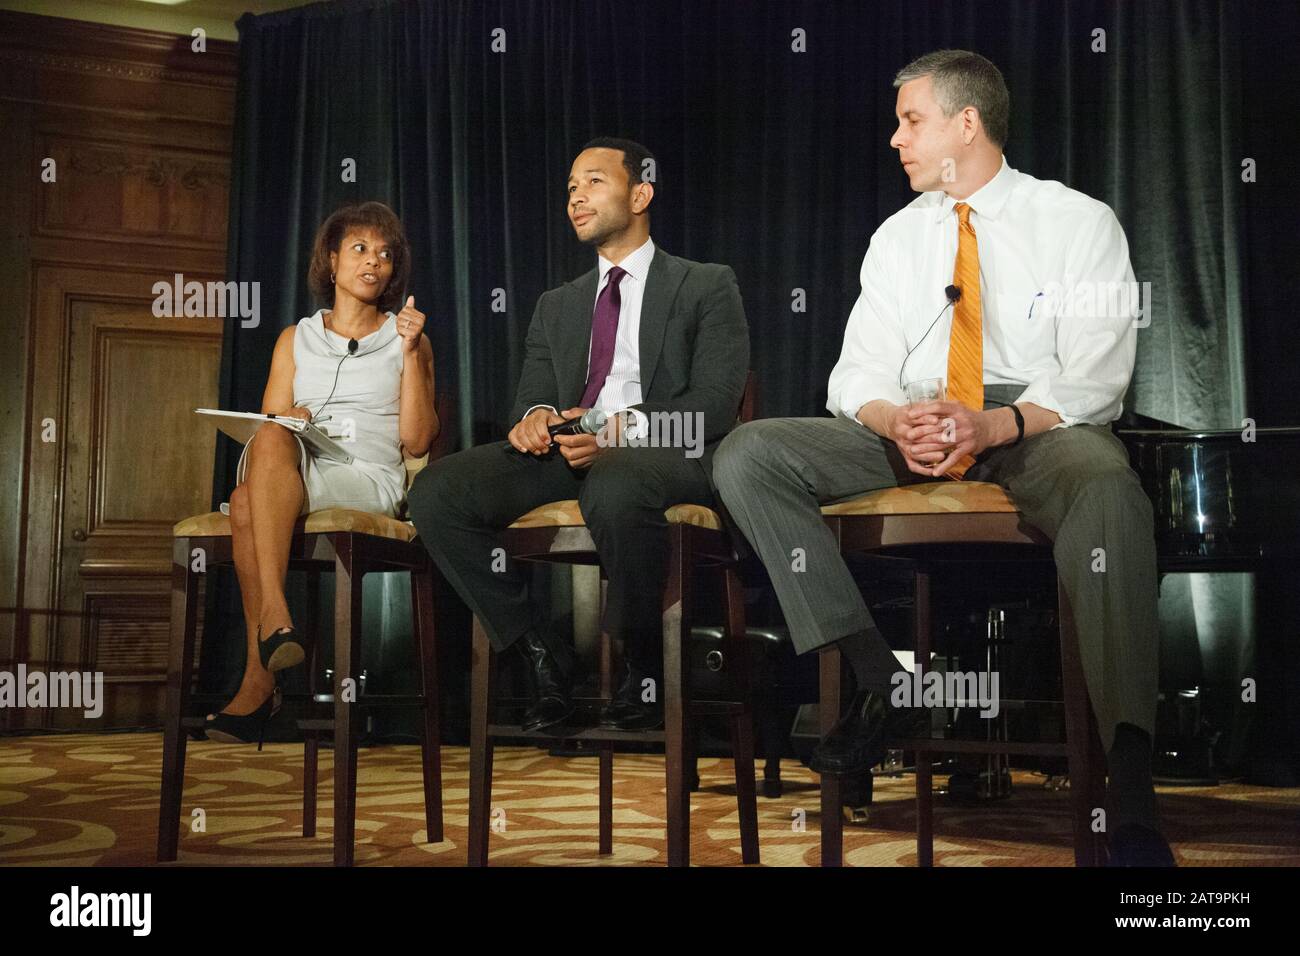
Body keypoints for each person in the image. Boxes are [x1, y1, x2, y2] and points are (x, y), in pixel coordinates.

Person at [713, 51, 1174, 865]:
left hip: (1034, 429)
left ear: (967, 124)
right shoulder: (898, 236)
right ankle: (884, 683)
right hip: (917, 423)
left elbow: (1098, 374)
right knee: (751, 454)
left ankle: (1130, 796)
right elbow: (854, 373)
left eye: (910, 120)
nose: (896, 139)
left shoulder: (1077, 221)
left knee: (1110, 492)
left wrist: (991, 425)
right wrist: (896, 421)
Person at [407, 138, 748, 733]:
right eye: (570, 187)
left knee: (615, 482)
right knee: (437, 492)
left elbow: (713, 408)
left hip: (666, 451)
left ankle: (639, 664)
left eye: (592, 182)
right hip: (572, 448)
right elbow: (531, 397)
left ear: (640, 193)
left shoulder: (705, 284)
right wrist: (535, 417)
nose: (575, 198)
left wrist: (623, 432)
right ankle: (541, 655)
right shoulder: (556, 305)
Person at [205, 201, 438, 745]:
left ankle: (264, 662)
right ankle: (275, 628)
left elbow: (419, 440)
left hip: (370, 477)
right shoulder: (294, 338)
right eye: (359, 249)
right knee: (260, 466)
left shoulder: (410, 338)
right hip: (302, 466)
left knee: (246, 504)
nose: (373, 262)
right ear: (331, 263)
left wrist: (409, 355)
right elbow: (264, 427)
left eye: (384, 254)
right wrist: (292, 421)